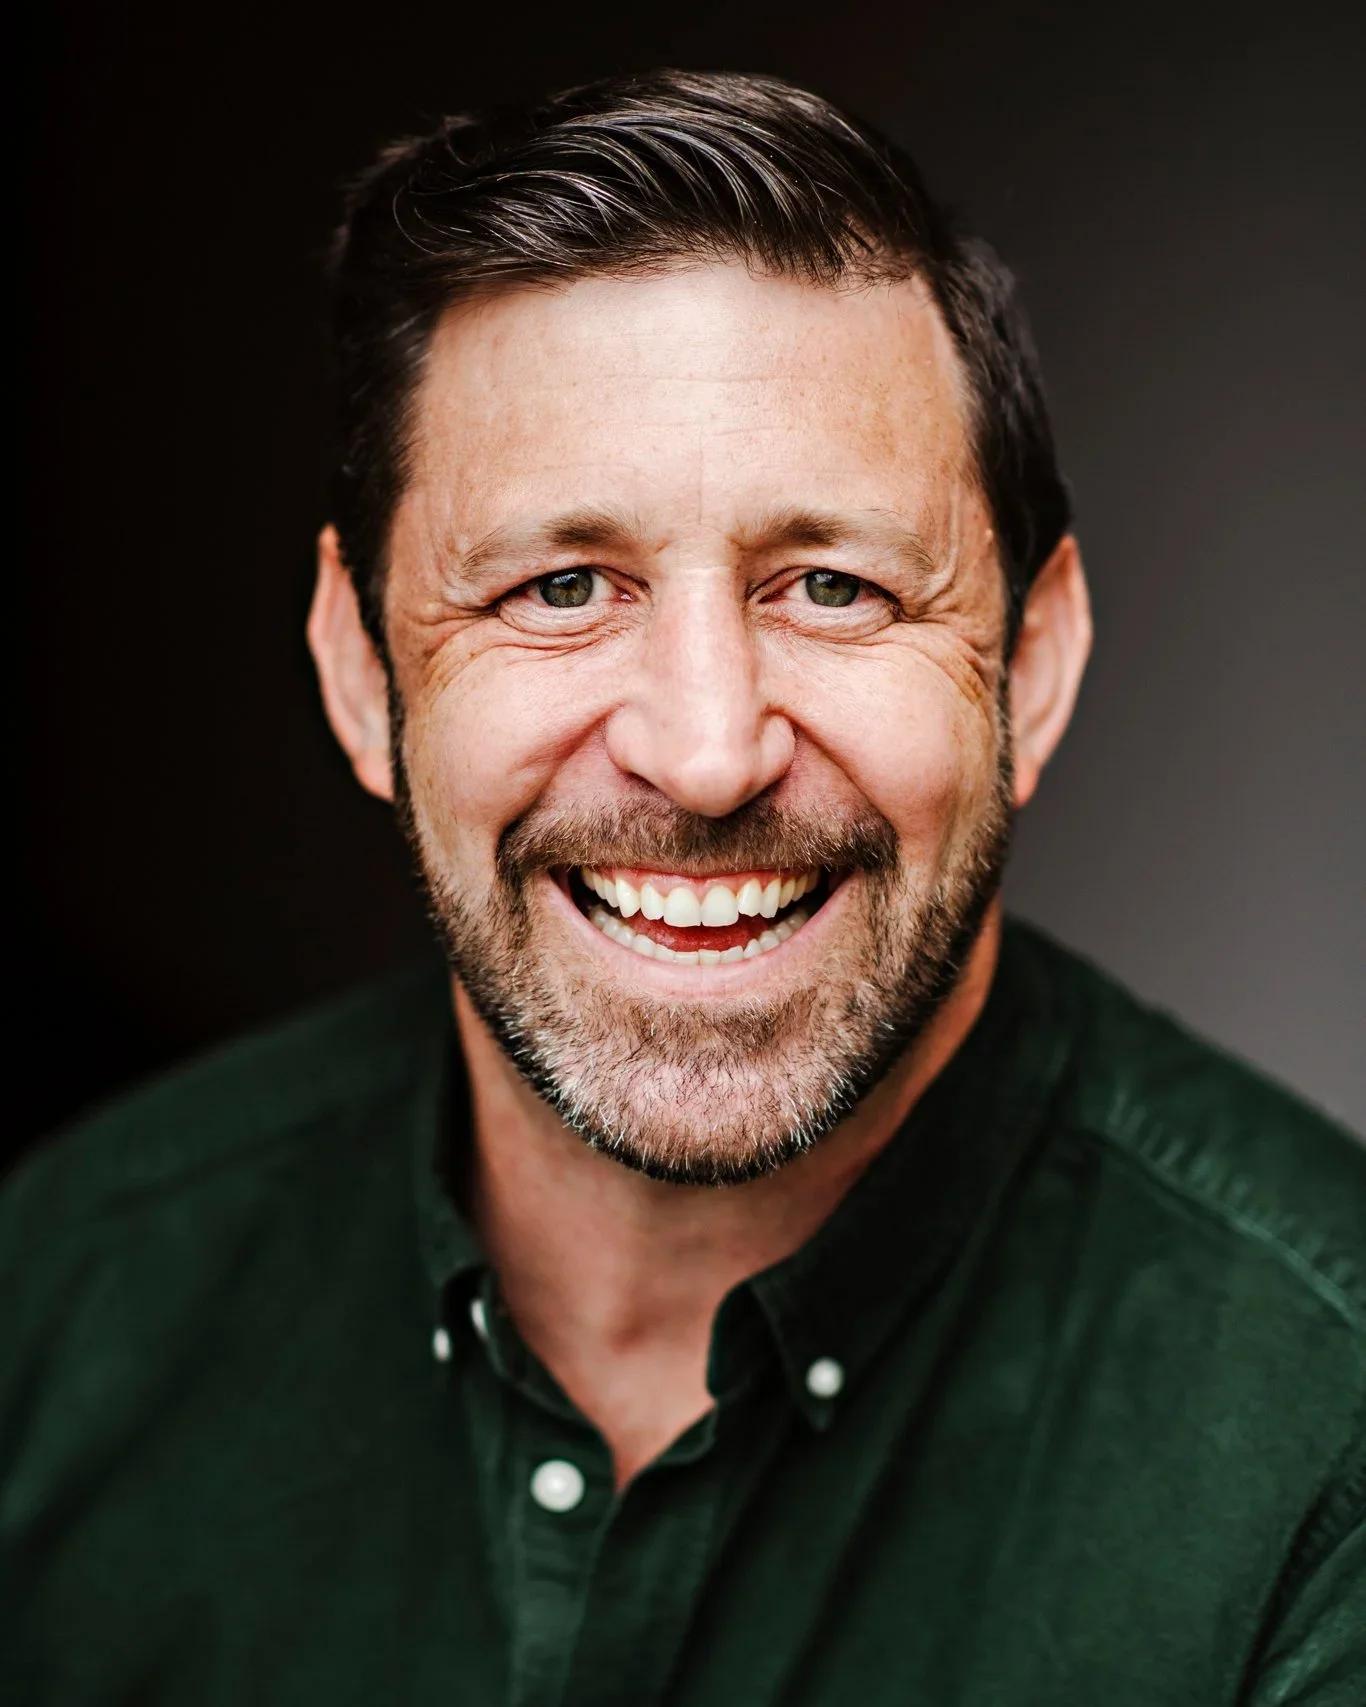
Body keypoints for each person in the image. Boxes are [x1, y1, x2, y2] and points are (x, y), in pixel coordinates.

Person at [4, 69, 1362, 1707]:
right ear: (363, 674)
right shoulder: (57, 1297)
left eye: (835, 586)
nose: (707, 752)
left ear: (1033, 661)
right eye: (560, 586)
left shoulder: (1321, 1447)